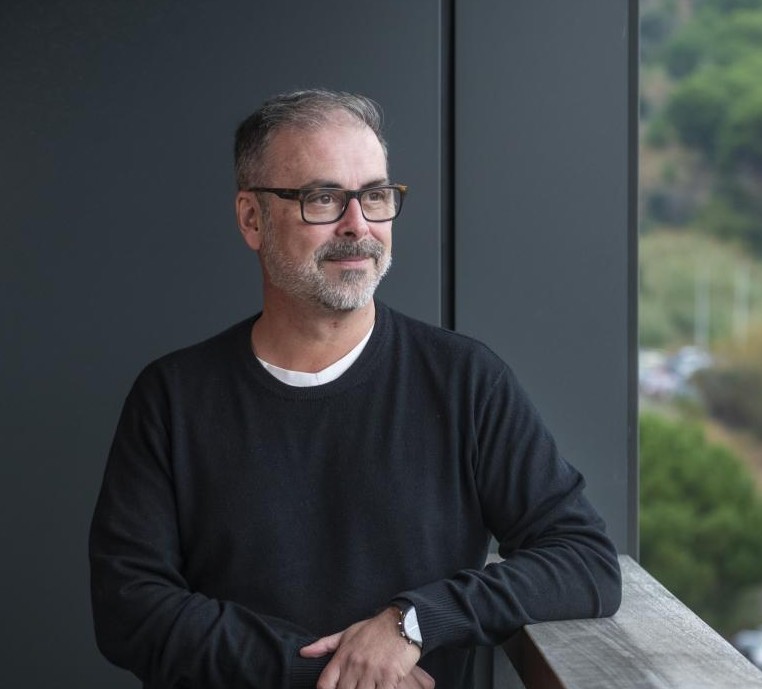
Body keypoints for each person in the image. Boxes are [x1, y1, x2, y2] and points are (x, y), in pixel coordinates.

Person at [89, 89, 621, 689]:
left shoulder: (464, 381)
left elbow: (583, 561)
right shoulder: (172, 399)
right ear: (251, 218)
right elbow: (129, 608)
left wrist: (411, 623)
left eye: (374, 195)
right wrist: (331, 675)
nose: (358, 226)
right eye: (322, 198)